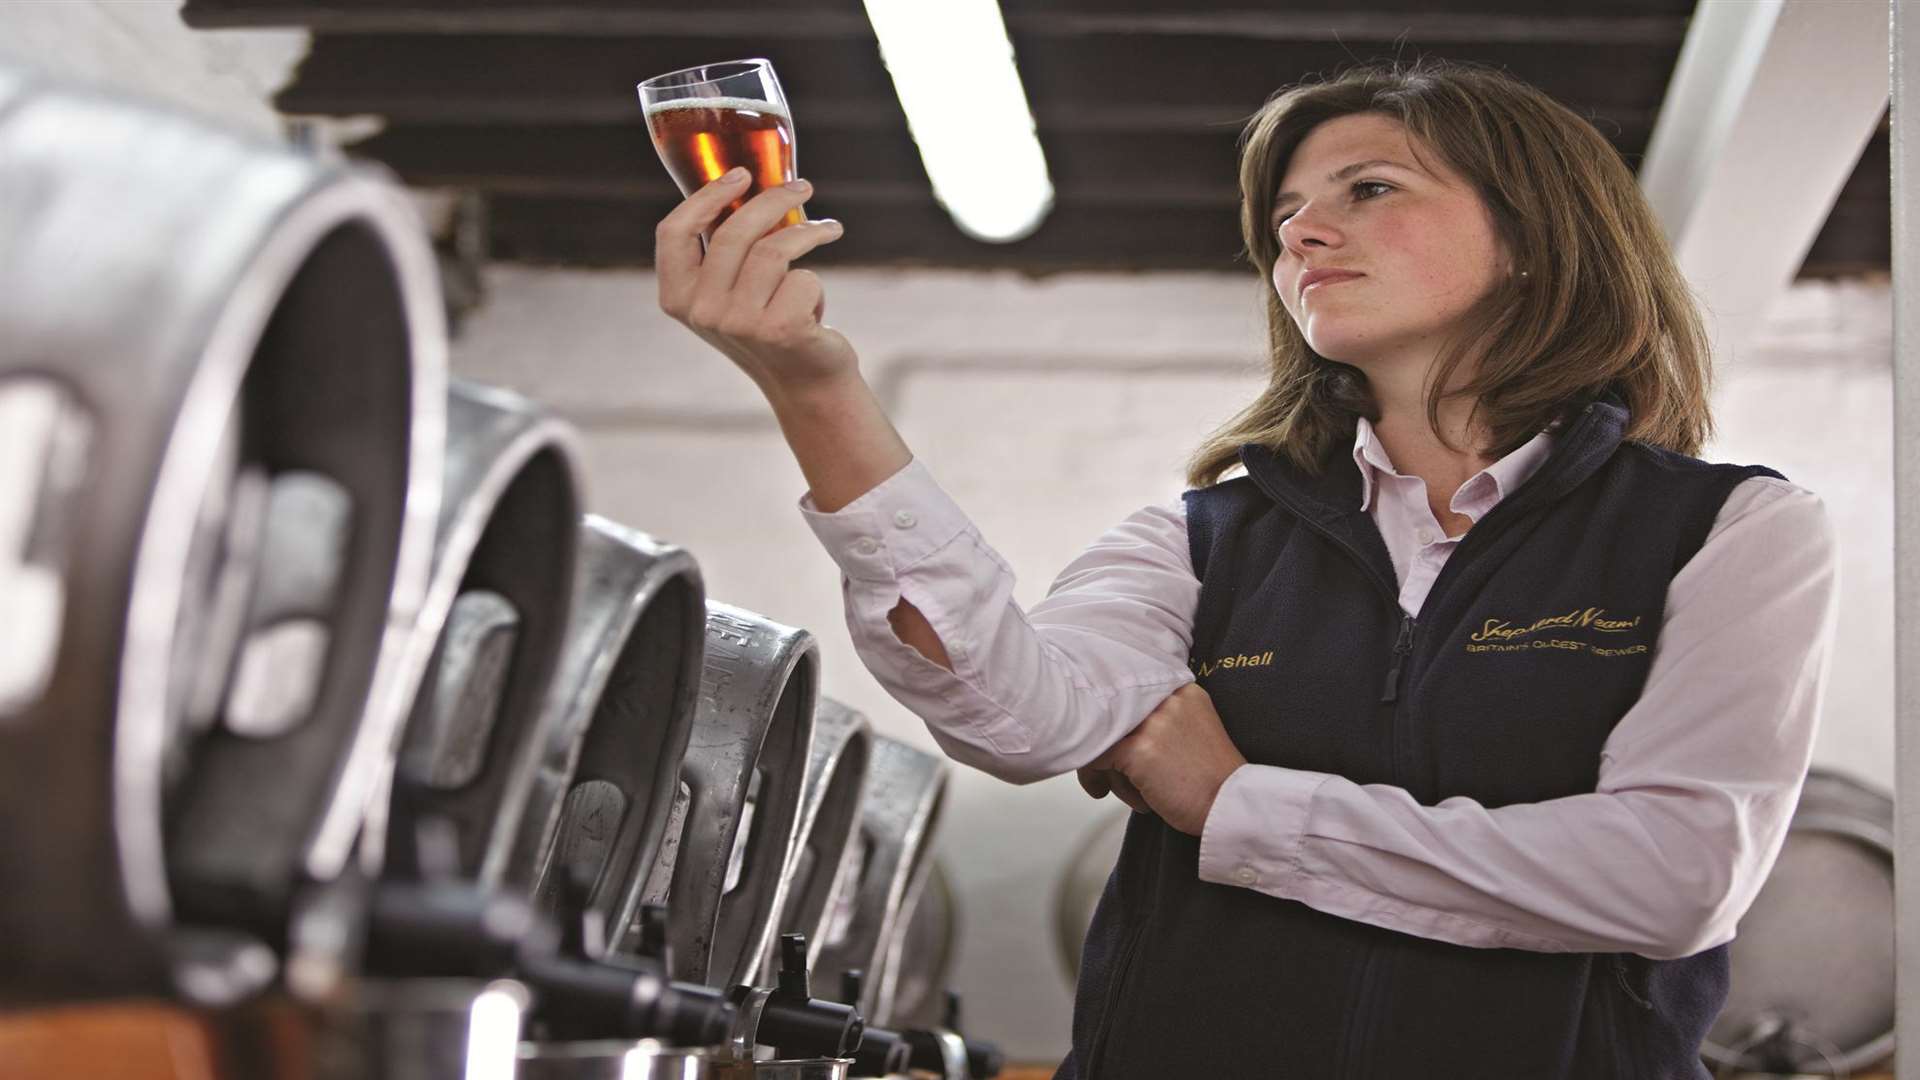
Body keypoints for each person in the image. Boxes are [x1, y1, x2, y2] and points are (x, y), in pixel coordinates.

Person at [653, 58, 1837, 1079]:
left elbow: (1671, 881)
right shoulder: (1204, 539)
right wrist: (816, 389)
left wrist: (1238, 807)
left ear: (1534, 239)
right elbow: (1015, 714)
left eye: (1368, 191)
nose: (1302, 234)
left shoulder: (1731, 535)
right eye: (1285, 217)